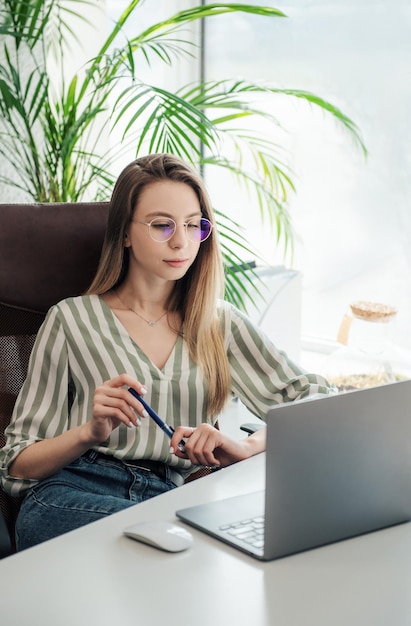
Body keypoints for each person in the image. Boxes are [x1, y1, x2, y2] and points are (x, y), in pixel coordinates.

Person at [0, 153, 335, 550]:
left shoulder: (218, 323)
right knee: (179, 543)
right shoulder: (71, 319)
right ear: (125, 232)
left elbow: (317, 404)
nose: (181, 241)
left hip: (175, 495)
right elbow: (16, 463)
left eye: (194, 226)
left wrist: (244, 447)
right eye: (162, 225)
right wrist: (89, 432)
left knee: (180, 542)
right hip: (74, 493)